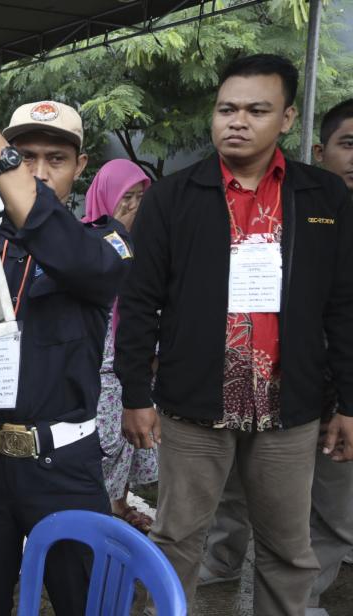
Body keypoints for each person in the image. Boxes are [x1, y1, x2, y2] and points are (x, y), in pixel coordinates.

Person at [115, 54, 353, 615]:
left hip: (288, 407)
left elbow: (342, 307)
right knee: (176, 541)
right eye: (227, 109)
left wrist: (347, 399)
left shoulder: (322, 197)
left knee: (287, 548)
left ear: (288, 117)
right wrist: (134, 394)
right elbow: (139, 301)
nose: (237, 121)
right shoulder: (174, 196)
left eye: (256, 109)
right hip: (194, 404)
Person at [0, 93, 133, 615]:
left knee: (81, 601)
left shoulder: (106, 243)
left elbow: (80, 264)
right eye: (24, 155)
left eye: (54, 159)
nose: (37, 172)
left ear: (80, 167)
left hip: (61, 468)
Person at [199, 98, 353, 615]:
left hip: (339, 395)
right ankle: (220, 560)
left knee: (331, 507)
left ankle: (299, 600)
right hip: (269, 384)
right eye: (348, 143)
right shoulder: (288, 204)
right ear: (320, 149)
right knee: (236, 488)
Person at [83, 160, 156, 533]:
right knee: (104, 443)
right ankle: (100, 511)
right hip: (98, 362)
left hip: (135, 357)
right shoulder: (83, 241)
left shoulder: (144, 240)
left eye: (140, 197)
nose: (133, 205)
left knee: (129, 441)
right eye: (126, 196)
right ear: (106, 195)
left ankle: (119, 503)